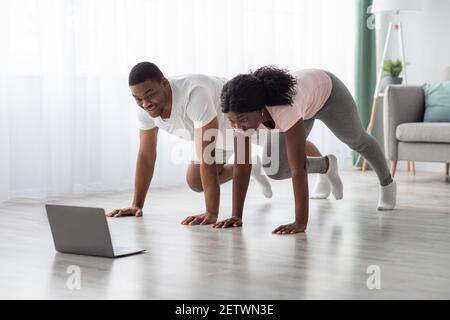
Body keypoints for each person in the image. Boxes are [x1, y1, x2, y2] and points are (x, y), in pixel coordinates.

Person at [215, 66, 396, 235]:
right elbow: (241, 165)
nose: (238, 126)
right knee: (274, 167)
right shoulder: (241, 118)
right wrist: (236, 215)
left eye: (243, 119)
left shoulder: (284, 110)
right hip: (304, 104)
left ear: (261, 109)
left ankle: (387, 183)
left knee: (357, 140)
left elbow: (298, 167)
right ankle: (327, 165)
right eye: (232, 121)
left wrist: (300, 222)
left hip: (329, 95)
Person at [107, 62, 273, 224]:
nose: (145, 104)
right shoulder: (145, 110)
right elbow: (146, 154)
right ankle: (253, 167)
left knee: (283, 165)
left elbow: (207, 156)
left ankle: (248, 166)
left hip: (245, 121)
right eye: (138, 99)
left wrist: (211, 212)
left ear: (164, 83)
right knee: (195, 181)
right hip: (218, 136)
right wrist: (136, 204)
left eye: (150, 95)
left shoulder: (194, 92)